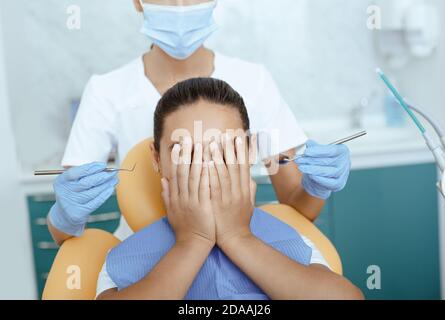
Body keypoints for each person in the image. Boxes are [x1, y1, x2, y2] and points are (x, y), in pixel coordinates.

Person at [48, 0, 351, 244]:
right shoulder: (106, 91)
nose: (180, 6)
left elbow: (299, 208)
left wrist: (316, 187)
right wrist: (65, 216)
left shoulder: (253, 82)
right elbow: (64, 235)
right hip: (143, 258)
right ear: (138, 2)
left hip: (237, 250)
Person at [96, 77, 363, 300]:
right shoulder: (122, 260)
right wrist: (192, 242)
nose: (206, 168)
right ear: (157, 159)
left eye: (224, 151)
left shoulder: (292, 241)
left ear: (249, 151)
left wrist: (238, 237)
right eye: (185, 153)